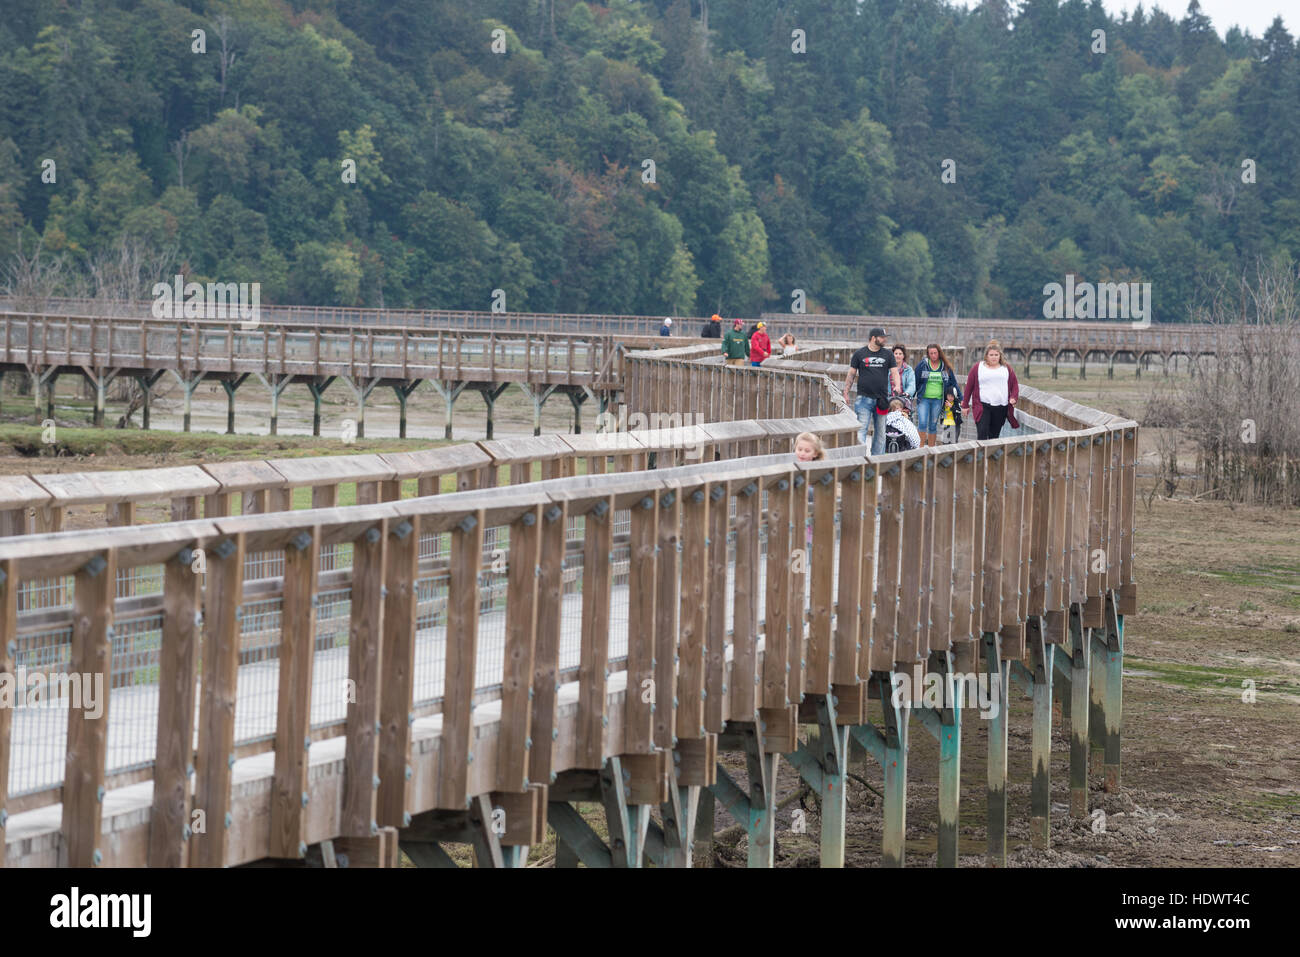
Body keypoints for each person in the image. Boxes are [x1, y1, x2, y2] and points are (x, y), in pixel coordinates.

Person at [842, 326, 901, 454]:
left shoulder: (888, 354)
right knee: (861, 430)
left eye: (885, 337)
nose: (885, 339)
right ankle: (860, 459)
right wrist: (846, 391)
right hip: (863, 398)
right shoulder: (859, 354)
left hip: (882, 399)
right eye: (882, 337)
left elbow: (895, 372)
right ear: (873, 338)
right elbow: (851, 374)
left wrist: (897, 386)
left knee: (880, 433)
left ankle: (876, 461)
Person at [962, 340, 1020, 440]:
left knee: (994, 436)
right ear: (986, 356)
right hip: (982, 406)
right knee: (982, 433)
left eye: (996, 355)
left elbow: (1014, 385)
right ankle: (981, 455)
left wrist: (1014, 397)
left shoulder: (1006, 368)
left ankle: (989, 455)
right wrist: (965, 405)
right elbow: (969, 387)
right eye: (991, 355)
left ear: (1000, 356)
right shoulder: (978, 367)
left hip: (1001, 406)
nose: (994, 357)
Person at [913, 343, 963, 447]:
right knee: (922, 423)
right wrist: (910, 397)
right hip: (924, 400)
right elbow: (915, 382)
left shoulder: (945, 367)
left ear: (939, 353)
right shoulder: (922, 365)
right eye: (931, 353)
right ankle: (920, 449)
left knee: (932, 425)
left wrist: (961, 398)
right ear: (928, 354)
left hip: (938, 400)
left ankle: (931, 450)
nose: (933, 355)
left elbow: (953, 383)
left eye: (935, 353)